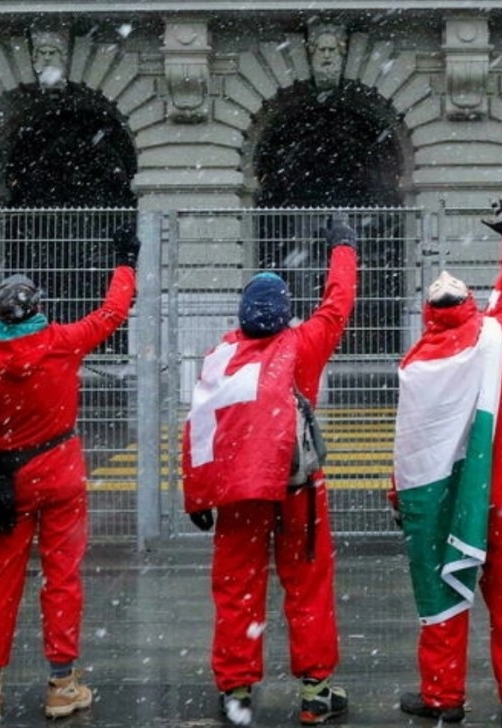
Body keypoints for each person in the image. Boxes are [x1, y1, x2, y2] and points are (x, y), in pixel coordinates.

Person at [0, 226, 140, 722]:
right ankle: (61, 683)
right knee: (62, 578)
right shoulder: (61, 342)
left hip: (8, 482)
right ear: (37, 308)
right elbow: (112, 314)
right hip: (61, 473)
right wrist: (125, 265)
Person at [181, 215, 357, 726]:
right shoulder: (302, 344)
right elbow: (338, 303)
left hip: (238, 495)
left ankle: (236, 690)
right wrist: (343, 248)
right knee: (308, 584)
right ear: (284, 314)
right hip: (298, 489)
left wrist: (197, 495)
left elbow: (197, 425)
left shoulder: (220, 356)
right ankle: (316, 692)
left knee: (236, 588)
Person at [393, 200, 502, 726]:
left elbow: (410, 446)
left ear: (429, 314)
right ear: (472, 304)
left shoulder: (415, 364)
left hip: (442, 502)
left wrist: (399, 500)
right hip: (501, 494)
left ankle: (443, 696)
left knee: (442, 595)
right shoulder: (494, 337)